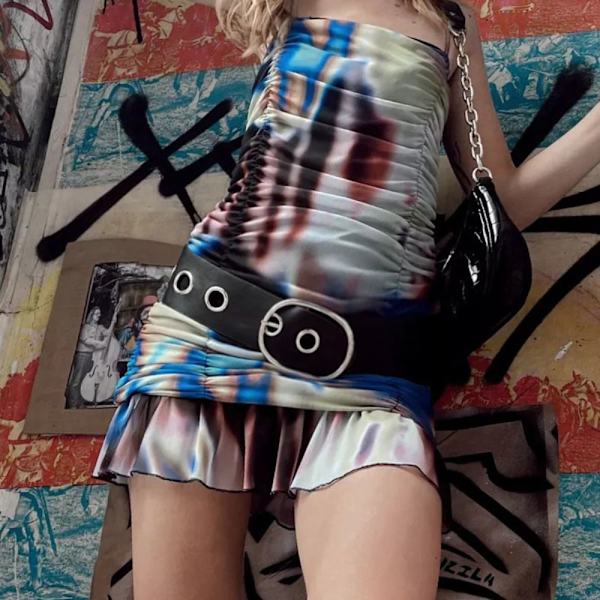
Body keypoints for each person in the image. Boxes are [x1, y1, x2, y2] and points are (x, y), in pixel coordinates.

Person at [93, 1, 600, 598]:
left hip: (374, 377)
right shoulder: (281, 6)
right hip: (207, 341)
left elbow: (502, 200)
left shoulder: (446, 17)